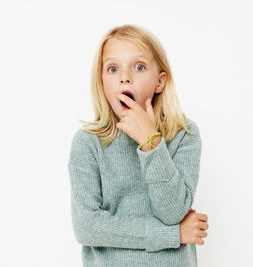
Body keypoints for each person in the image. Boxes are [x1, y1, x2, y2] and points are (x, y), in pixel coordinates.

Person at [67, 24, 208, 267]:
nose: (125, 77)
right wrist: (173, 235)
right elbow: (87, 227)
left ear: (159, 82)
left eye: (139, 67)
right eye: (112, 69)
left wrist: (151, 143)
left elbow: (173, 212)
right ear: (102, 82)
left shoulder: (185, 134)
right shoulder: (88, 142)